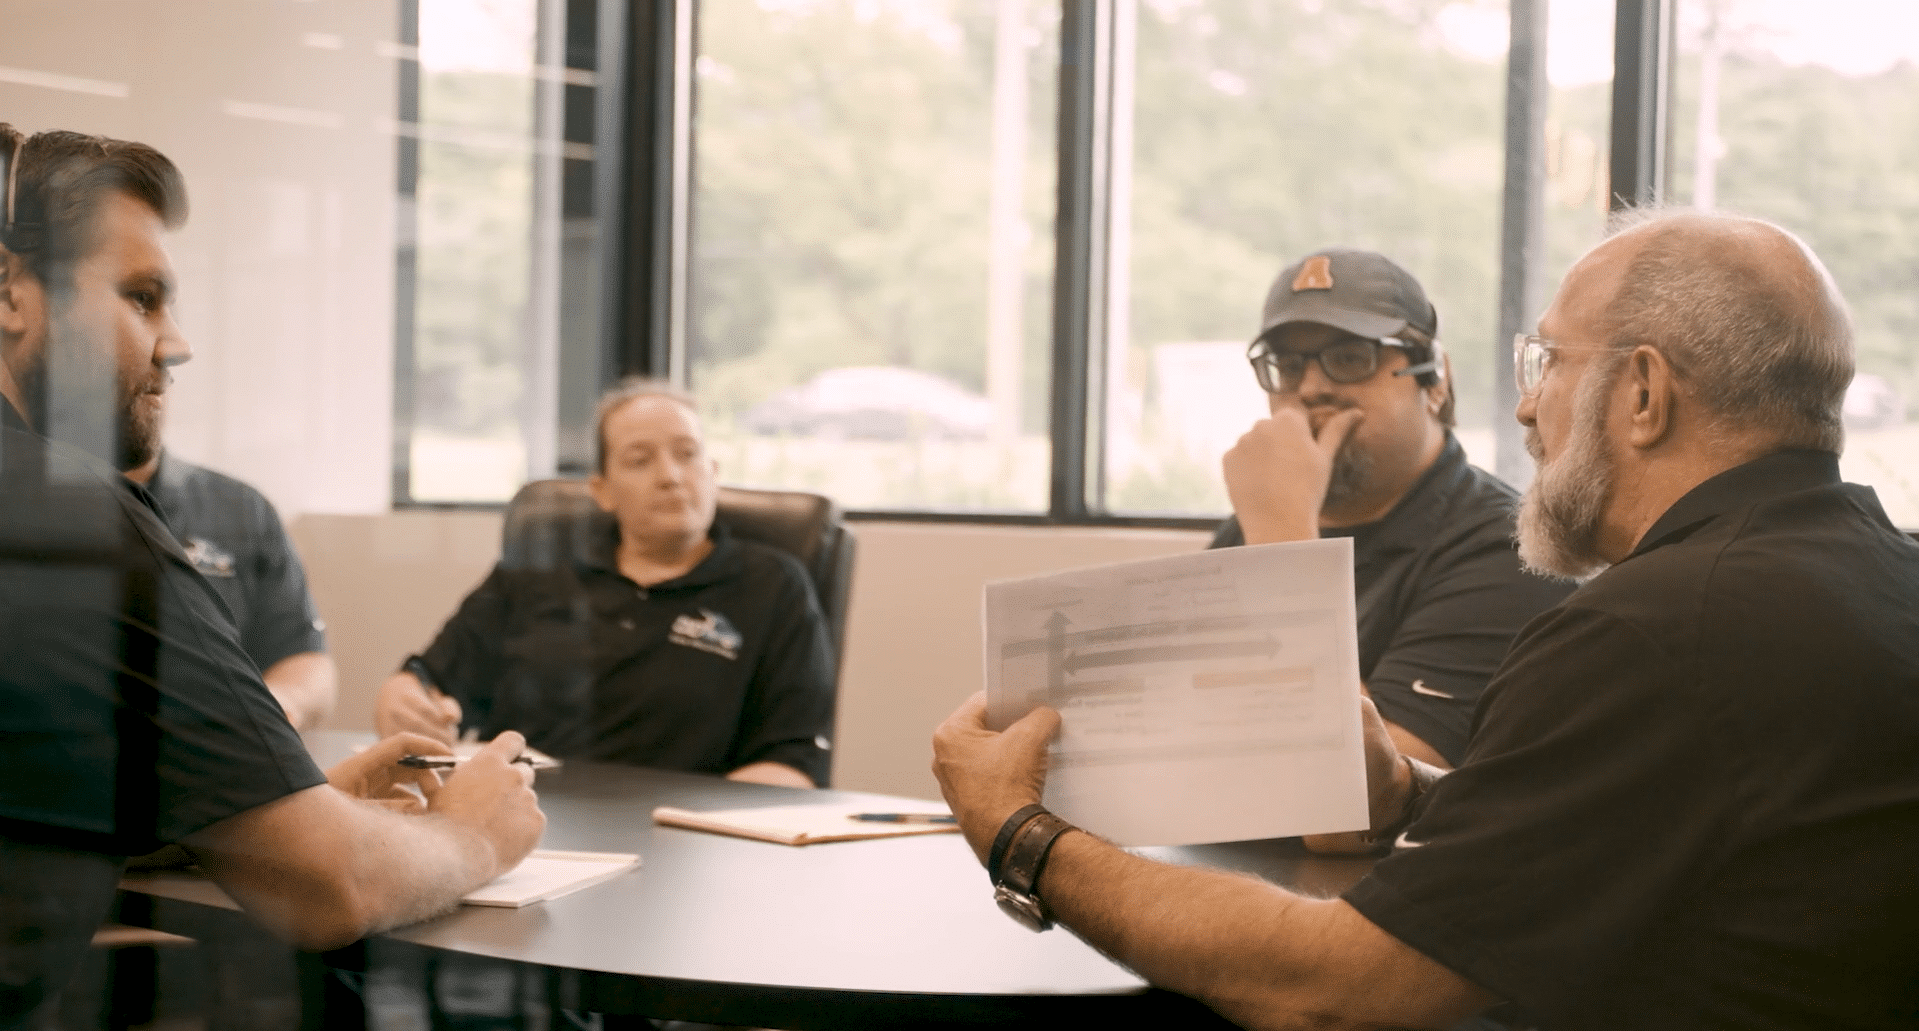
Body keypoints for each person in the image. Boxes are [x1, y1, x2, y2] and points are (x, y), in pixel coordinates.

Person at [933, 208, 1919, 1029]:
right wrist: (1409, 794)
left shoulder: (1648, 630)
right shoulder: (1873, 574)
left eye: (1547, 364)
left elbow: (1332, 991)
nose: (1525, 411)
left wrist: (1022, 835)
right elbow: (1626, 820)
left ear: (1643, 394)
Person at [0, 125, 545, 1029]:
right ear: (10, 292)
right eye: (142, 297)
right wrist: (472, 833)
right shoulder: (78, 522)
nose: (175, 344)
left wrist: (250, 804)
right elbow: (331, 886)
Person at [375, 379, 835, 789]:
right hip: (516, 818)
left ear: (713, 472)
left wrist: (690, 828)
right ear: (603, 490)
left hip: (682, 837)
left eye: (687, 453)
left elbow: (792, 764)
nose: (671, 476)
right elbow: (428, 680)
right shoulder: (538, 570)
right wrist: (403, 698)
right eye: (640, 460)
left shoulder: (773, 586)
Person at [1216, 248, 1570, 778]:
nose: (1310, 389)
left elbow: (1363, 792)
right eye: (1287, 367)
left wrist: (1283, 548)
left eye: (1350, 357)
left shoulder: (1509, 551)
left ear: (1435, 380)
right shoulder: (1251, 527)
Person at [122, 444, 337, 730]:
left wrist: (275, 707)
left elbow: (303, 657)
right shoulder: (60, 507)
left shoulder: (242, 509)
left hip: (207, 745)